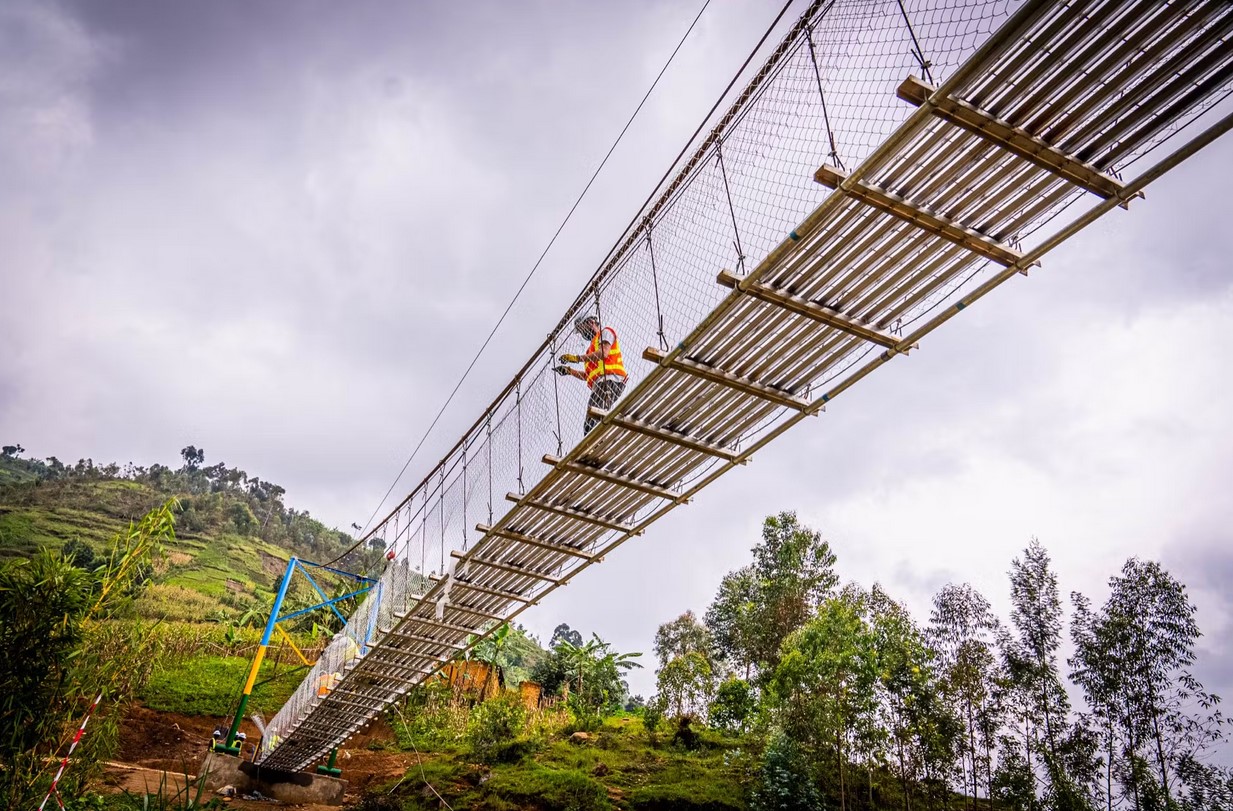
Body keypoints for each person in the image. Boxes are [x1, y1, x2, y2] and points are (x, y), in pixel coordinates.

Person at [555, 315, 628, 434]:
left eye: (581, 329)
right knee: (593, 419)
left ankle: (595, 445)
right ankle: (597, 443)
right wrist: (569, 371)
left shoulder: (605, 333)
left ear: (590, 322)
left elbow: (603, 353)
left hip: (610, 380)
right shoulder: (590, 350)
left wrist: (577, 358)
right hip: (601, 384)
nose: (582, 334)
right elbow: (588, 375)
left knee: (593, 420)